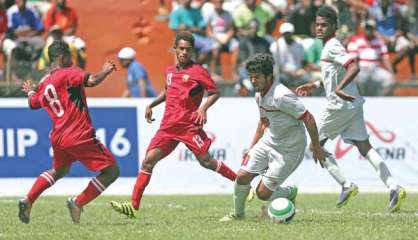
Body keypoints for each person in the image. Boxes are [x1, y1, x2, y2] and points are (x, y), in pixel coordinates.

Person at [110, 31, 237, 218]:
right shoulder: (169, 71)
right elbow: (167, 91)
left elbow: (215, 92)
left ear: (192, 51)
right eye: (181, 49)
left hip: (188, 127)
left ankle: (239, 181)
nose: (184, 52)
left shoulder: (199, 71)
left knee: (206, 161)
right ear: (175, 49)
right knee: (147, 161)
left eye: (188, 49)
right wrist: (152, 104)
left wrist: (203, 108)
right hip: (168, 127)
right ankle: (133, 206)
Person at [296, 6, 406, 212]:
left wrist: (337, 89)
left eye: (324, 25)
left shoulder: (332, 47)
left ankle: (346, 185)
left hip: (339, 106)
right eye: (318, 24)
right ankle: (394, 187)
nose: (319, 28)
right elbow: (333, 74)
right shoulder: (330, 46)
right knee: (365, 147)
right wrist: (316, 85)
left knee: (315, 147)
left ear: (334, 27)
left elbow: (354, 67)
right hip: (352, 103)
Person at [19, 40, 120, 224]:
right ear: (62, 57)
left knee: (60, 170)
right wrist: (105, 70)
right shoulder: (70, 72)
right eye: (70, 56)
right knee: (111, 171)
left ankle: (28, 200)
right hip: (78, 133)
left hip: (59, 136)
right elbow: (92, 80)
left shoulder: (45, 81)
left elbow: (33, 104)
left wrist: (31, 92)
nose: (72, 60)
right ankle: (78, 202)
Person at [220, 53, 326, 221]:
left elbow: (309, 118)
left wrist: (317, 147)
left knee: (263, 194)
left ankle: (289, 191)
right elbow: (263, 123)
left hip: (290, 149)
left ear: (269, 76)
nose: (253, 81)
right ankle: (238, 215)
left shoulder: (282, 95)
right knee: (242, 176)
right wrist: (251, 147)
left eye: (257, 77)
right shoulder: (259, 94)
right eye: (251, 77)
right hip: (269, 141)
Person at [347, 19, 395, 96]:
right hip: (361, 70)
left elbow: (385, 59)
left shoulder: (379, 42)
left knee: (390, 79)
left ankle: (379, 99)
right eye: (367, 28)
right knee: (352, 83)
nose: (369, 30)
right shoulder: (356, 40)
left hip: (375, 70)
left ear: (374, 29)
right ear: (364, 28)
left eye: (371, 28)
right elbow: (353, 60)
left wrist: (391, 73)